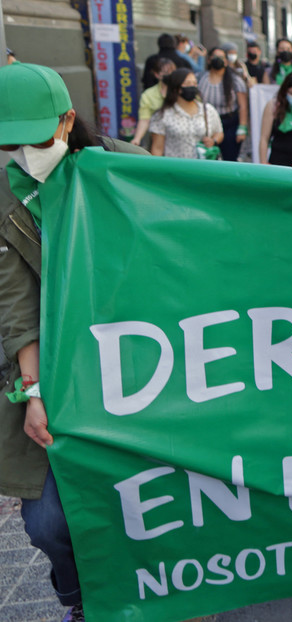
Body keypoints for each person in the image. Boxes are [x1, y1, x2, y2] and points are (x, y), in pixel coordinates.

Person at [0, 63, 148, 622]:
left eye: (35, 139)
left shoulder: (124, 164)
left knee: (148, 499)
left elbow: (212, 204)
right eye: (9, 143)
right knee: (47, 524)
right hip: (56, 375)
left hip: (141, 362)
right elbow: (16, 305)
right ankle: (81, 601)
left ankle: (164, 590)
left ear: (67, 121)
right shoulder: (5, 193)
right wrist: (33, 392)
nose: (23, 153)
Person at [150, 68, 224, 159]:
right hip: (176, 165)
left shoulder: (208, 110)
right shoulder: (162, 115)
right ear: (177, 88)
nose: (192, 86)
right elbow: (157, 148)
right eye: (188, 83)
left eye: (194, 83)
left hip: (204, 165)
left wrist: (213, 141)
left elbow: (219, 132)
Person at [198, 47, 249, 162]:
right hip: (207, 124)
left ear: (226, 61)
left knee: (229, 159)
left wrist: (242, 128)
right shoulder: (200, 78)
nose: (218, 59)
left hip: (229, 123)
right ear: (209, 60)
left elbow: (243, 106)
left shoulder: (235, 80)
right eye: (215, 57)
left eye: (221, 57)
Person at [131, 57, 176, 146]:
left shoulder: (181, 91)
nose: (169, 75)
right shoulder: (148, 95)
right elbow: (144, 119)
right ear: (156, 74)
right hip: (157, 140)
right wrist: (137, 138)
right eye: (165, 72)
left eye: (172, 72)